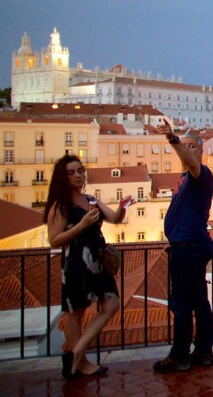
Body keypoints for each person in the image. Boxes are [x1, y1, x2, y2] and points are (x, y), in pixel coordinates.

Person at [46, 155, 130, 379]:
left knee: (111, 305)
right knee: (76, 313)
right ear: (62, 178)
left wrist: (123, 208)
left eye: (80, 171)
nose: (77, 175)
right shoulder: (61, 206)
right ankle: (80, 363)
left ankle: (75, 353)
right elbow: (54, 240)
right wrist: (81, 225)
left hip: (98, 261)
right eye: (71, 172)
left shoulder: (91, 199)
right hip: (76, 264)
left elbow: (114, 218)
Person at [152, 122, 213, 372]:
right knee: (199, 301)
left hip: (190, 245)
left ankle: (180, 355)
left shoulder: (200, 174)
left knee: (181, 303)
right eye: (184, 146)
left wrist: (173, 139)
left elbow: (191, 164)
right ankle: (203, 352)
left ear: (200, 152)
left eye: (192, 146)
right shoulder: (184, 179)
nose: (187, 150)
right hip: (187, 244)